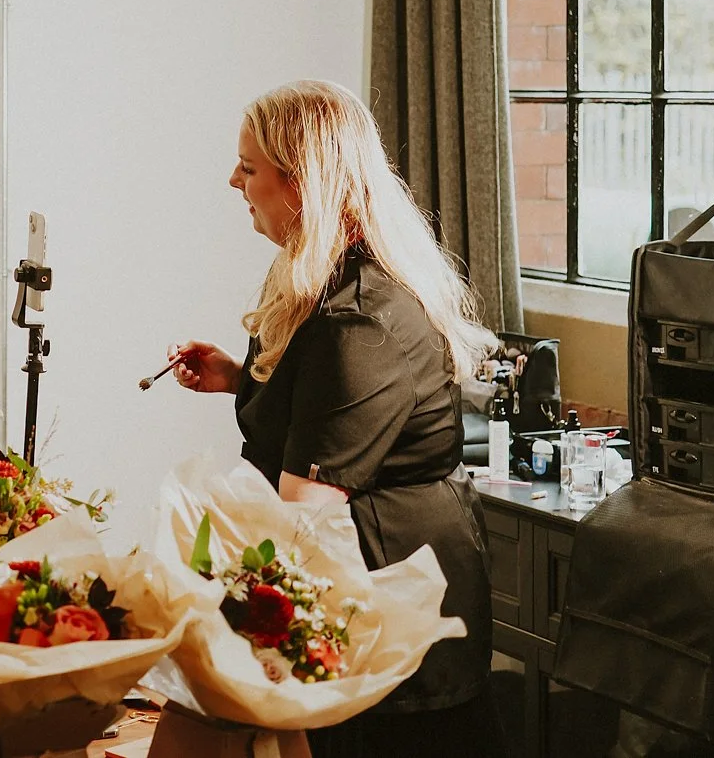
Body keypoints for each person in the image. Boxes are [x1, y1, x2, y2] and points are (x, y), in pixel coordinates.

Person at [170, 80, 496, 756]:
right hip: (358, 577)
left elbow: (306, 509)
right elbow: (323, 406)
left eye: (248, 167)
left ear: (301, 183)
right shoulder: (320, 280)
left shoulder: (360, 322)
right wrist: (239, 379)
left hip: (384, 594)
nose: (233, 180)